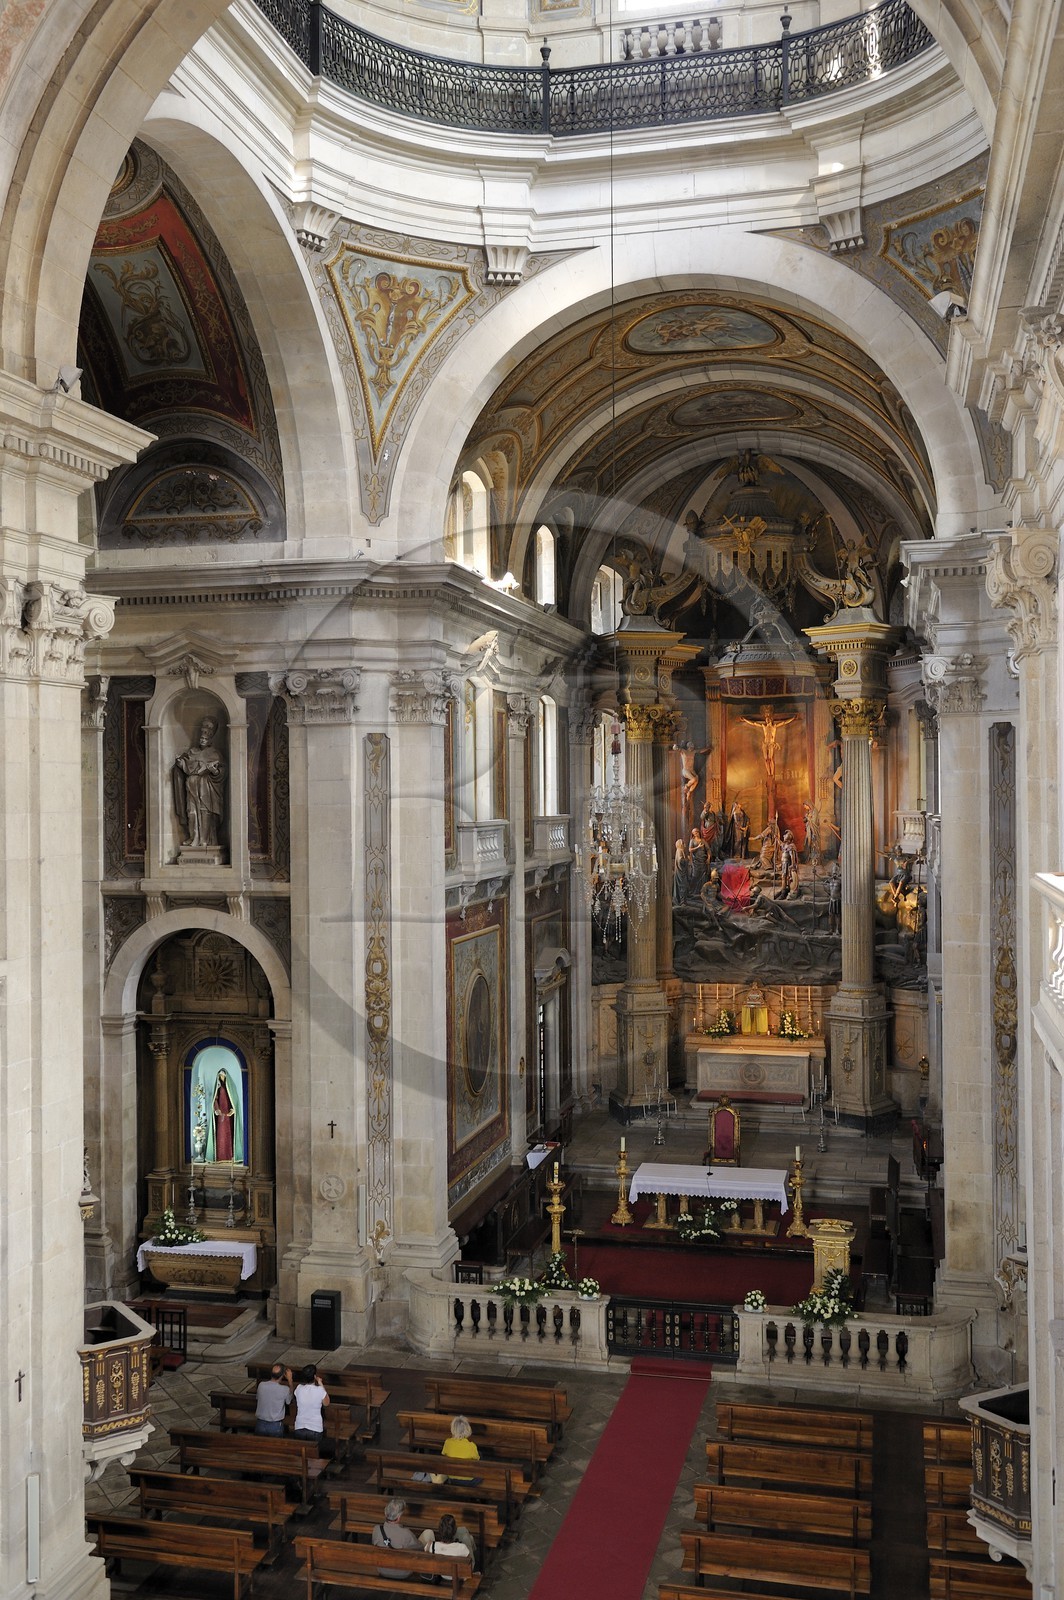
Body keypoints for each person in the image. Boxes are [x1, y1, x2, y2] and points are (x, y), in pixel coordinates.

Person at [173, 714, 226, 848]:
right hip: (191, 786)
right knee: (192, 813)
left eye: (206, 735)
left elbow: (222, 773)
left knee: (205, 812)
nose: (203, 737)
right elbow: (187, 767)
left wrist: (214, 771)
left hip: (206, 787)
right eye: (202, 735)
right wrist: (181, 764)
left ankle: (204, 840)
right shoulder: (192, 752)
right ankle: (193, 838)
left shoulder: (214, 753)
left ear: (211, 738)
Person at [372, 1498, 421, 1581]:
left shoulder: (377, 1529)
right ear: (399, 1517)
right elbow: (420, 1549)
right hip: (402, 1572)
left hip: (382, 1570)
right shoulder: (406, 1533)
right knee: (427, 1534)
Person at [292, 1362, 329, 1441]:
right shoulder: (319, 1390)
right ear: (314, 1376)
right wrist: (320, 1383)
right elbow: (326, 1403)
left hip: (300, 1426)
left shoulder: (299, 1388)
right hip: (315, 1427)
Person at [254, 1363, 292, 1437]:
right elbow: (289, 1401)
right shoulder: (285, 1389)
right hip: (275, 1424)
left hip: (260, 1423)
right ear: (282, 1376)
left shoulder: (261, 1385)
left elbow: (258, 1398)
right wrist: (290, 1381)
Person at [440, 1415, 480, 1482]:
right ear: (467, 1429)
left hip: (452, 1477)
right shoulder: (471, 1446)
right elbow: (477, 1460)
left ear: (453, 1428)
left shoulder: (447, 1442)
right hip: (468, 1480)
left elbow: (443, 1454)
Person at [212, 1067, 237, 1162]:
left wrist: (233, 1109)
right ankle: (221, 1155)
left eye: (222, 1076)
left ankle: (229, 1155)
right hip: (221, 1114)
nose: (221, 1077)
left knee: (229, 1133)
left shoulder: (230, 1087)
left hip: (228, 1115)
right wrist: (217, 1109)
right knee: (221, 1134)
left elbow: (233, 1100)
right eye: (220, 1076)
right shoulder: (218, 1088)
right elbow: (215, 1099)